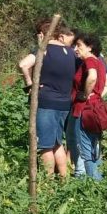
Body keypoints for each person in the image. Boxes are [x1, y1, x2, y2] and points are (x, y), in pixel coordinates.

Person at [18, 20, 76, 177]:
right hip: (64, 104)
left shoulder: (44, 50)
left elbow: (23, 64)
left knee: (45, 146)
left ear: (42, 34)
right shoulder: (71, 52)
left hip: (46, 103)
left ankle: (47, 182)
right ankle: (65, 179)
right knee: (57, 143)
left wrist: (30, 85)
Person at [71, 32, 107, 180]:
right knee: (94, 149)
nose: (75, 49)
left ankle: (93, 188)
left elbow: (92, 77)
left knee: (86, 150)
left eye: (79, 45)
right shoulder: (100, 62)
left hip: (85, 110)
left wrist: (85, 95)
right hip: (95, 110)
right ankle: (99, 181)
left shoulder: (90, 62)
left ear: (90, 47)